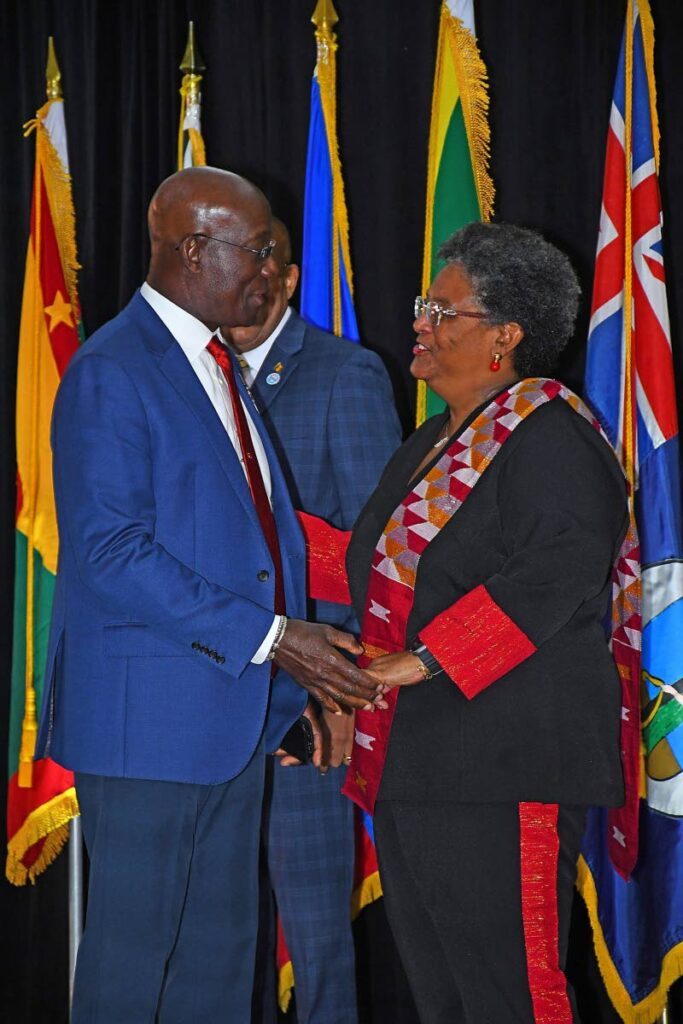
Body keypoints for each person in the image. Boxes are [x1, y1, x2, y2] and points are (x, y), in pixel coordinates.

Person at [36, 166, 384, 1024]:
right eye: (260, 251)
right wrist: (275, 639)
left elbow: (263, 545)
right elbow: (110, 552)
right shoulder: (116, 369)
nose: (274, 271)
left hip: (231, 721)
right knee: (135, 972)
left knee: (219, 973)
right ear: (196, 249)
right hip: (150, 730)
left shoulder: (214, 366)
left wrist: (292, 672)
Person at [302, 222, 629, 1024]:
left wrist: (415, 662)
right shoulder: (433, 444)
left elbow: (559, 568)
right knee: (446, 998)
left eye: (439, 309)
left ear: (504, 335)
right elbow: (367, 564)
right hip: (420, 766)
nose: (418, 321)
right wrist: (240, 530)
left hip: (505, 768)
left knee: (514, 998)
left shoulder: (553, 434)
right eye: (425, 306)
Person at [222, 218, 401, 1024]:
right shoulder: (187, 381)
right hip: (206, 712)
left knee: (317, 940)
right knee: (218, 944)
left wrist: (337, 697)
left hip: (307, 711)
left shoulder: (345, 373)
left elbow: (375, 560)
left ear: (289, 279)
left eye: (257, 270)